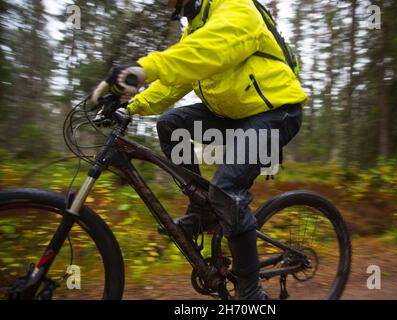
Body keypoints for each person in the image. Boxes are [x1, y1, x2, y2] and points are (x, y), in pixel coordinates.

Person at [91, 0, 308, 300]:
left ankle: (250, 291)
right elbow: (178, 78)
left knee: (226, 190)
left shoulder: (235, 6)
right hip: (235, 115)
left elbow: (209, 51)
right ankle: (202, 210)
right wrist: (130, 105)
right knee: (171, 124)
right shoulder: (194, 28)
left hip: (275, 111)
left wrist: (145, 68)